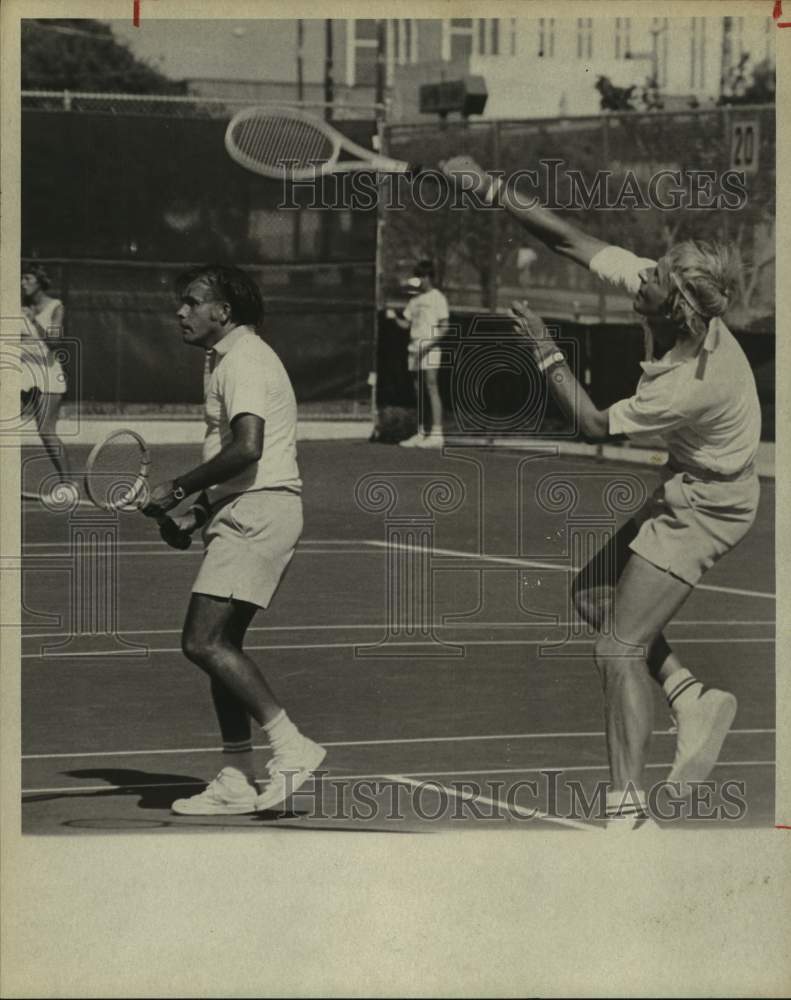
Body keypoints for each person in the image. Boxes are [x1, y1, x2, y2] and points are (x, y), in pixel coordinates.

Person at [441, 156, 761, 830]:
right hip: (690, 485)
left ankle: (626, 812)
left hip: (709, 507)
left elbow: (590, 423)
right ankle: (688, 693)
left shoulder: (683, 383)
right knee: (590, 596)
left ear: (669, 304)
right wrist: (490, 186)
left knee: (615, 649)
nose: (638, 272)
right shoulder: (673, 300)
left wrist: (542, 348)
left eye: (651, 276)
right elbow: (569, 239)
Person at [143, 264, 325, 816]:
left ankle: (292, 746)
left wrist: (176, 487)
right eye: (183, 302)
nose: (182, 311)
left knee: (202, 642)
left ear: (224, 312)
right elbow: (240, 462)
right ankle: (236, 777)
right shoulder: (229, 358)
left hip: (258, 513)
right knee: (222, 647)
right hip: (245, 509)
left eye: (194, 302)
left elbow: (248, 447)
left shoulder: (243, 360)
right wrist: (196, 515)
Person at [20, 264, 74, 487]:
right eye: (21, 278)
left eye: (28, 278)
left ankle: (68, 484)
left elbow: (54, 343)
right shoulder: (17, 305)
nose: (23, 283)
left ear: (40, 281)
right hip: (21, 372)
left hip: (48, 373)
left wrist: (33, 321)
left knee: (45, 431)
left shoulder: (55, 307)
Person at [391, 259, 449, 448]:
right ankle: (421, 432)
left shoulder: (438, 297)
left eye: (421, 276)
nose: (419, 280)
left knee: (431, 387)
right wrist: (393, 318)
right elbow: (406, 324)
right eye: (417, 276)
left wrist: (428, 344)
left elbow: (444, 327)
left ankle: (437, 434)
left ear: (428, 277)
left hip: (430, 349)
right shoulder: (414, 300)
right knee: (418, 391)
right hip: (414, 349)